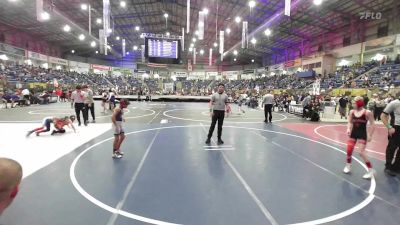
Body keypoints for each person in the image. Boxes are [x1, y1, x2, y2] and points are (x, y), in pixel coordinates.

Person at [343, 96, 375, 179]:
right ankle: (348, 165)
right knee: (349, 150)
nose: (352, 104)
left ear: (359, 103)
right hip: (354, 133)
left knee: (361, 152)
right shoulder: (352, 112)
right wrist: (348, 129)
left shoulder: (367, 112)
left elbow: (372, 124)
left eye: (354, 103)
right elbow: (350, 122)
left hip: (362, 134)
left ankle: (371, 170)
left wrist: (370, 134)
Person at [380, 93, 400, 176]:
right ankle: (388, 166)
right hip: (396, 128)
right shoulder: (394, 103)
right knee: (391, 148)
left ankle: (396, 167)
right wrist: (389, 127)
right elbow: (383, 115)